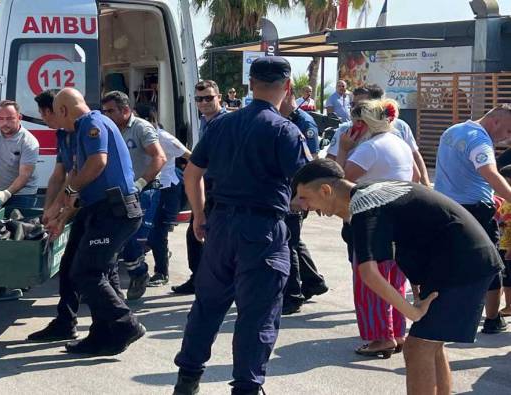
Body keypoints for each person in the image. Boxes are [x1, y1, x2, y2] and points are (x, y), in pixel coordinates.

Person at [292, 158, 503, 395]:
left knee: (417, 348)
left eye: (304, 197)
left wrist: (412, 312)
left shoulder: (363, 205)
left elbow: (368, 273)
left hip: (463, 264)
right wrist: (417, 293)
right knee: (431, 344)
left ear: (326, 190)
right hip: (458, 261)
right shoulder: (369, 193)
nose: (302, 206)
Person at [172, 56, 308, 395]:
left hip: (220, 225)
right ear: (287, 87)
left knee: (207, 305)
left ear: (250, 84)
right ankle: (246, 387)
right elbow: (305, 183)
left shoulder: (221, 124)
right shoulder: (285, 130)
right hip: (262, 230)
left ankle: (187, 379)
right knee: (258, 313)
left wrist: (200, 215)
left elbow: (192, 172)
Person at [47, 87, 145, 355]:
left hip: (114, 211)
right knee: (94, 271)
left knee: (85, 272)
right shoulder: (81, 129)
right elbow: (77, 174)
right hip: (101, 210)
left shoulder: (92, 123)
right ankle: (103, 335)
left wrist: (66, 194)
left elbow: (97, 163)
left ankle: (125, 324)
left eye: (57, 114)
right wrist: (60, 210)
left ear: (64, 110)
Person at [337, 99, 415, 357]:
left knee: (370, 282)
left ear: (362, 123)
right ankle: (396, 332)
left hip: (372, 220)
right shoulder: (400, 144)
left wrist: (344, 147)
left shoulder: (368, 148)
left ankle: (381, 337)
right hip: (401, 219)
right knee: (394, 279)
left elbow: (339, 180)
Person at [434, 104, 511, 334]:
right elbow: (490, 173)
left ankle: (443, 312)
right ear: (495, 121)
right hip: (476, 212)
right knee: (491, 265)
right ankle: (492, 318)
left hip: (445, 207)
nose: (507, 138)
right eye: (508, 131)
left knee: (450, 262)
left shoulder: (452, 131)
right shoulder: (480, 141)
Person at [27, 89, 83, 342]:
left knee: (85, 269)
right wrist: (47, 211)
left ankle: (117, 322)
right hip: (75, 202)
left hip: (91, 205)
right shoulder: (63, 135)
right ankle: (67, 321)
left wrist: (59, 211)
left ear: (53, 112)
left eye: (42, 114)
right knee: (72, 266)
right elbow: (58, 175)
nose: (43, 119)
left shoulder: (83, 131)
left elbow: (75, 178)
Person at [101, 91, 167, 300]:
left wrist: (140, 183)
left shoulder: (141, 128)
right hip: (118, 192)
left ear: (126, 110)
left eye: (111, 111)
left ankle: (138, 272)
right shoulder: (109, 128)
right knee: (117, 237)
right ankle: (128, 276)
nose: (107, 115)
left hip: (142, 189)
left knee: (131, 237)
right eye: (105, 111)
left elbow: (159, 157)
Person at [0, 100, 40, 301]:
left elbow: (24, 175)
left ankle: (20, 280)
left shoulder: (28, 141)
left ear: (19, 118)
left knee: (19, 240)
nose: (5, 123)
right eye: (1, 118)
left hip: (23, 194)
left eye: (10, 119)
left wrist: (7, 194)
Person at [172, 79, 228, 295]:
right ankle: (199, 278)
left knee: (205, 233)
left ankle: (208, 281)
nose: (204, 102)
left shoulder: (224, 122)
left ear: (219, 98)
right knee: (197, 232)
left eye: (209, 98)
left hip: (220, 186)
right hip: (207, 184)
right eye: (199, 99)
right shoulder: (205, 122)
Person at [278, 84, 328, 314]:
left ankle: (293, 296)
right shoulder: (281, 119)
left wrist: (301, 196)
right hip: (286, 192)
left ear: (287, 95)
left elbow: (311, 162)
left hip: (297, 194)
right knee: (293, 240)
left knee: (288, 243)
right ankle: (314, 282)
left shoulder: (303, 122)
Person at [326, 84, 431, 186]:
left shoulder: (370, 147)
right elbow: (415, 176)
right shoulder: (399, 143)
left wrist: (343, 150)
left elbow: (339, 183)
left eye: (362, 106)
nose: (354, 109)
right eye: (353, 105)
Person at [134, 104, 191, 287]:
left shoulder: (163, 138)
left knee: (158, 232)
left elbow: (190, 155)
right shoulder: (139, 135)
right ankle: (158, 255)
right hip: (150, 189)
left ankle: (161, 272)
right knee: (147, 230)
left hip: (166, 188)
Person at [495, 165, 511, 317]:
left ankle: (509, 306)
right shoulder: (505, 200)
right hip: (503, 244)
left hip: (508, 247)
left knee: (508, 281)